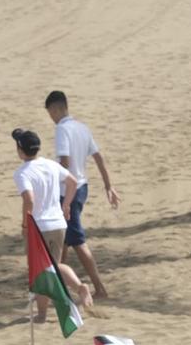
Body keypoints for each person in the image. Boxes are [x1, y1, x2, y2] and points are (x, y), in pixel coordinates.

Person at [45, 89, 120, 301]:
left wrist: (54, 181)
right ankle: (60, 287)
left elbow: (65, 162)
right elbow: (98, 157)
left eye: (51, 113)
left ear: (57, 108)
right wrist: (108, 185)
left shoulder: (62, 129)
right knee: (66, 239)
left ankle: (99, 287)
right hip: (82, 188)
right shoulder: (82, 128)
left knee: (76, 240)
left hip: (68, 191)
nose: (51, 118)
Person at [12, 127, 90, 318]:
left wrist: (24, 224)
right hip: (58, 224)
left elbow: (28, 199)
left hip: (39, 227)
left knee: (40, 272)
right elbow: (72, 182)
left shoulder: (22, 172)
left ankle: (41, 315)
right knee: (53, 266)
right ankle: (79, 286)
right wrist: (66, 206)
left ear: (20, 150)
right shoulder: (50, 165)